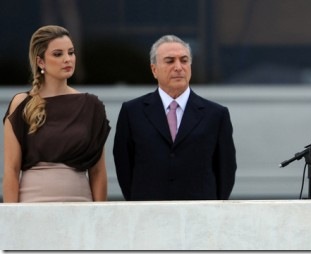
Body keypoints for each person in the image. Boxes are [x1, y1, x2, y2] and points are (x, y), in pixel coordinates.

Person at [113, 35, 237, 201]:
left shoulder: (216, 114)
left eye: (184, 60)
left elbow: (225, 169)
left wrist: (214, 207)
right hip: (148, 213)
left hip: (200, 214)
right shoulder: (132, 112)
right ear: (154, 69)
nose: (178, 67)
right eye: (170, 61)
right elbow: (124, 166)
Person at [2, 25, 111, 202]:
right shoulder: (21, 103)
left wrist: (98, 218)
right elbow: (11, 171)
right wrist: (11, 219)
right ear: (40, 62)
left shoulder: (91, 105)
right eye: (58, 54)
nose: (68, 59)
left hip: (80, 210)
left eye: (71, 52)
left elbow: (98, 172)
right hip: (32, 210)